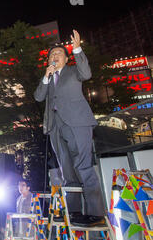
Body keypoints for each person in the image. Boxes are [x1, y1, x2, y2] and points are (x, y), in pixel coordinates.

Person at [34, 30, 106, 227]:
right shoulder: (48, 79)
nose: (54, 56)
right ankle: (74, 212)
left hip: (77, 123)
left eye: (58, 53)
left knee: (83, 165)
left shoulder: (74, 71)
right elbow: (38, 97)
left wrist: (77, 49)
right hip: (55, 127)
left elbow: (87, 73)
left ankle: (95, 212)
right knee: (67, 172)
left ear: (66, 58)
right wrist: (46, 77)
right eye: (51, 55)